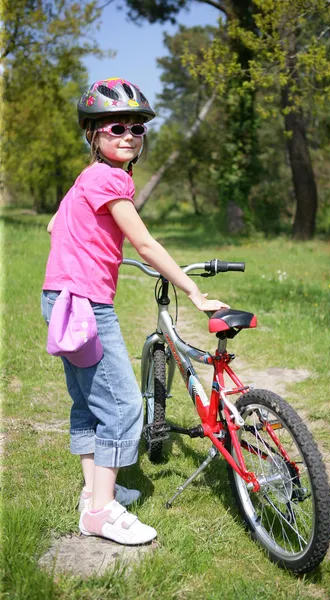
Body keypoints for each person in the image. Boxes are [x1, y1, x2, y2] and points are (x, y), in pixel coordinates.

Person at [41, 78, 229, 546]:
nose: (128, 135)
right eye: (115, 127)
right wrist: (194, 293)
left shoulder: (86, 179)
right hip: (84, 304)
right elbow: (144, 243)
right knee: (123, 404)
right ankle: (102, 513)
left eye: (136, 128)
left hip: (61, 299)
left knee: (88, 402)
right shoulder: (108, 177)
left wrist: (90, 250)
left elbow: (53, 224)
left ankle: (93, 493)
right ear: (93, 134)